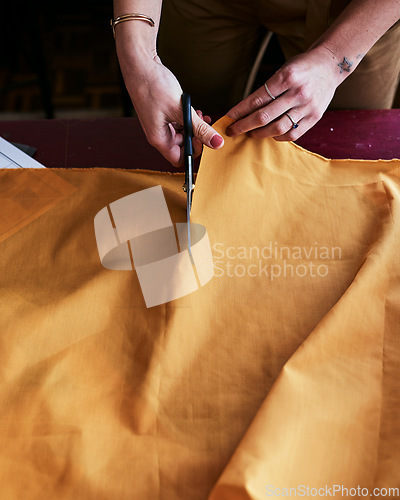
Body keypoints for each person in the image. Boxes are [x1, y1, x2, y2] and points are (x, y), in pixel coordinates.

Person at [112, 0, 400, 166]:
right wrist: (140, 64)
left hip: (357, 9)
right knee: (188, 126)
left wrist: (335, 58)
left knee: (350, 148)